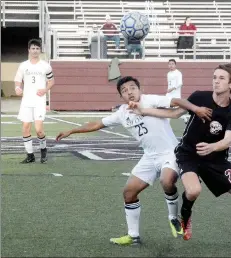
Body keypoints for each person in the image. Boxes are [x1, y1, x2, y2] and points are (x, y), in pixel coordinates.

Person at [128, 63, 231, 250]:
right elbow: (174, 113)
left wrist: (213, 147)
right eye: (214, 77)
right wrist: (144, 110)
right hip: (188, 155)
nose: (216, 81)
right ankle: (185, 216)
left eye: (221, 78)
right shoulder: (199, 97)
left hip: (216, 159)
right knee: (194, 190)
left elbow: (228, 139)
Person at [56, 76, 212, 245]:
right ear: (121, 96)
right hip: (149, 157)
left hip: (170, 153)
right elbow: (96, 124)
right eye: (124, 91)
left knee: (166, 180)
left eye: (132, 88)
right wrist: (72, 130)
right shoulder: (122, 113)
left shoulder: (150, 100)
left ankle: (173, 217)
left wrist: (196, 109)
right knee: (129, 193)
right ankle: (133, 236)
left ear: (139, 89)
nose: (129, 92)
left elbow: (176, 100)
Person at [14, 38, 55, 164]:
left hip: (39, 101)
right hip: (27, 100)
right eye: (33, 48)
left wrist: (45, 89)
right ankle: (30, 155)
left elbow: (51, 81)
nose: (35, 51)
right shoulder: (23, 65)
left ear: (40, 50)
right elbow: (18, 80)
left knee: (39, 130)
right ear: (29, 50)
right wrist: (17, 88)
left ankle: (43, 150)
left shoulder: (45, 66)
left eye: (37, 48)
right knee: (25, 127)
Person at [166, 59, 188, 124]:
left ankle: (184, 118)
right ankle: (167, 123)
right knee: (167, 107)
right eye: (169, 64)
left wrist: (172, 89)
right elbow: (169, 84)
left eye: (172, 64)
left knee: (177, 109)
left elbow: (180, 83)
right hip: (169, 94)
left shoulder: (178, 73)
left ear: (175, 65)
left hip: (176, 95)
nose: (171, 65)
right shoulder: (168, 74)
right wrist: (168, 90)